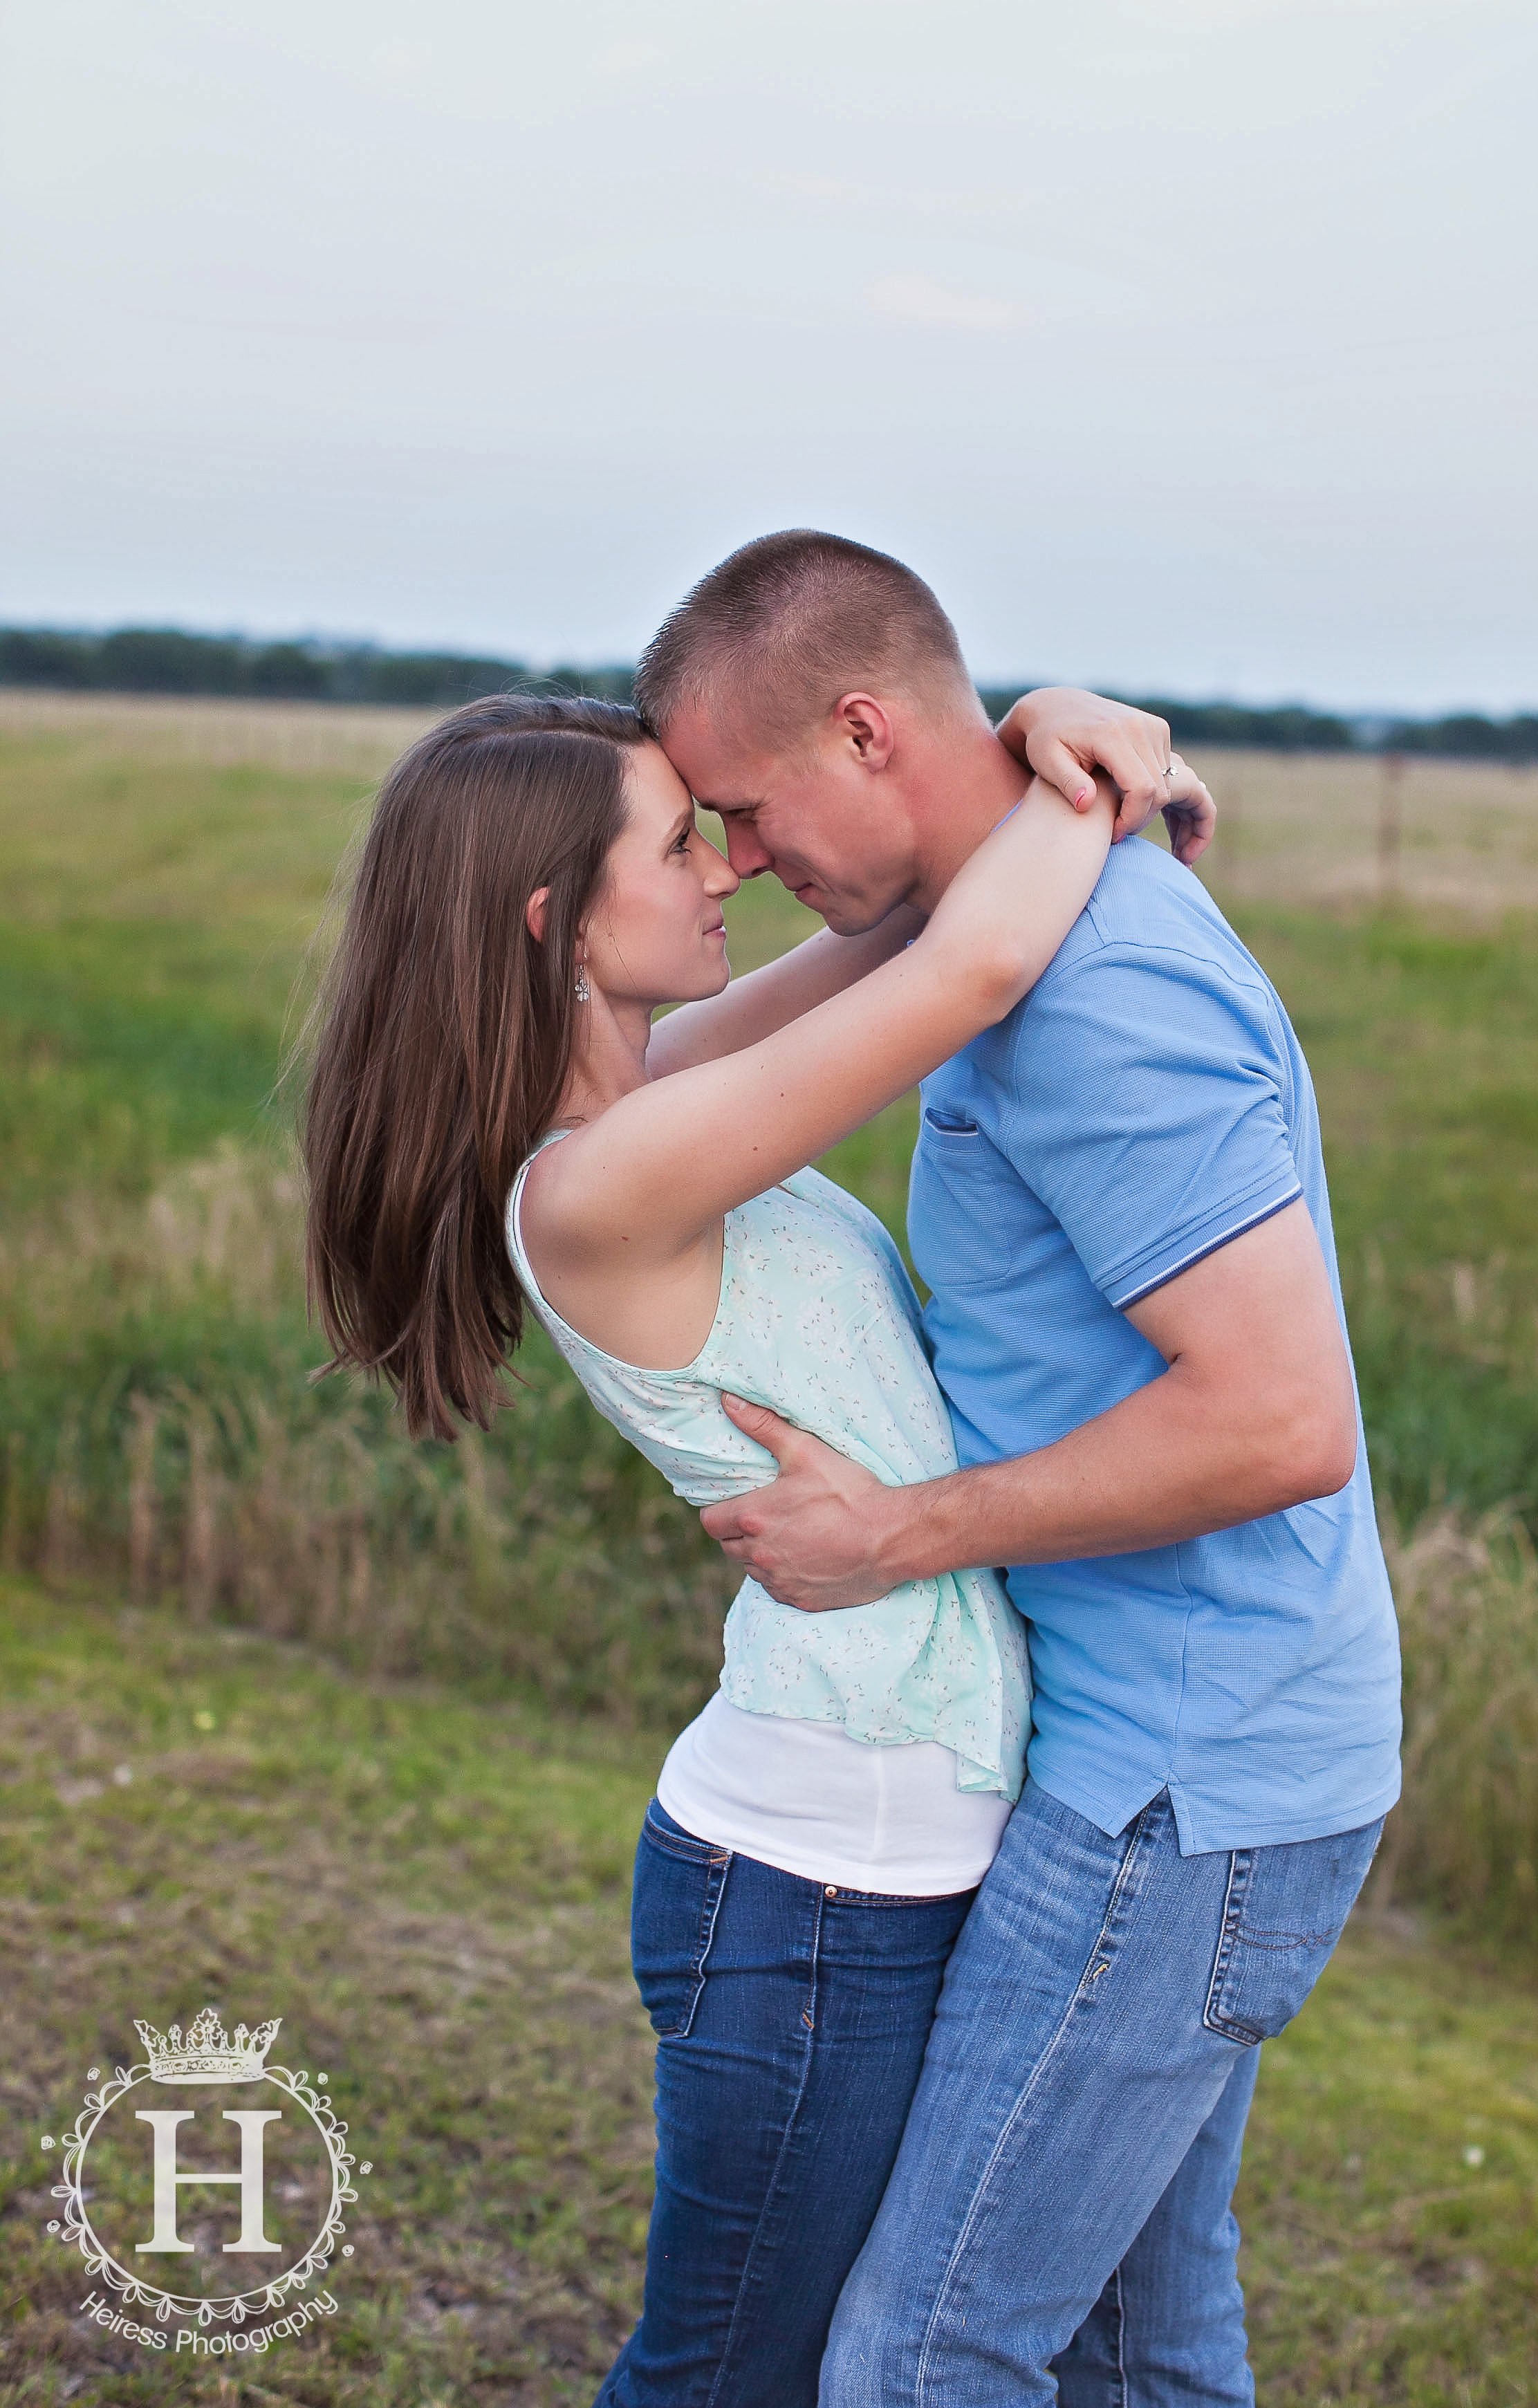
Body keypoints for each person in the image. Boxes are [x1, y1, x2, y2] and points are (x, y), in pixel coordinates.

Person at [298, 676, 1189, 2406]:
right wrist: (1096, 790)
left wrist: (1039, 728)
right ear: (558, 914)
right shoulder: (595, 1185)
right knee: (728, 2373)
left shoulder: (657, 1097)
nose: (728, 870)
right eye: (678, 841)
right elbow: (970, 971)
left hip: (871, 1845)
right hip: (811, 1888)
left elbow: (912, 918)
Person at [636, 529, 1404, 2407]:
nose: (738, 860)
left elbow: (1277, 1418)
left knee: (921, 2361)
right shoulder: (1006, 935)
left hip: (1180, 1781)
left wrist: (898, 1532)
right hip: (1168, 1747)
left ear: (868, 733)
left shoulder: (1102, 991)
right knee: (1139, 2351)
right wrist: (1070, 726)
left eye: (745, 806)